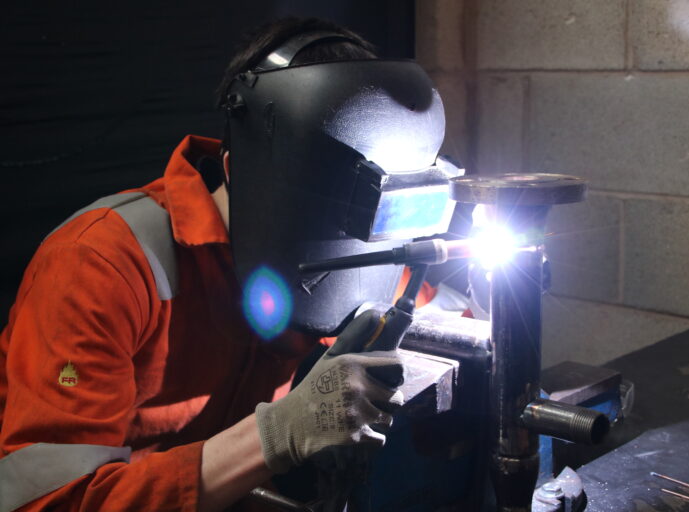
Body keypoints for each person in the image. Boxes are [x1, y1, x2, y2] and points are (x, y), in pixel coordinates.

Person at [0, 17, 456, 512]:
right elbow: (49, 503)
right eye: (324, 209)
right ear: (239, 169)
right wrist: (278, 435)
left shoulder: (343, 245)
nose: (344, 248)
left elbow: (428, 307)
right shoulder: (100, 265)